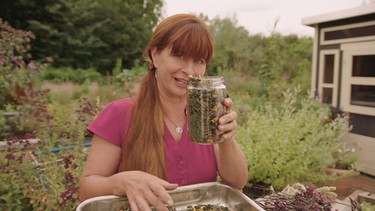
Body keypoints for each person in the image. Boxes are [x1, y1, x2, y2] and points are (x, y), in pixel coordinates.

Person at [79, 13, 248, 211]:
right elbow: (86, 190)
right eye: (179, 56)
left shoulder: (206, 117)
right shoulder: (118, 114)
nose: (190, 70)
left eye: (199, 60)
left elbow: (237, 183)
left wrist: (227, 138)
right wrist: (121, 182)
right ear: (155, 55)